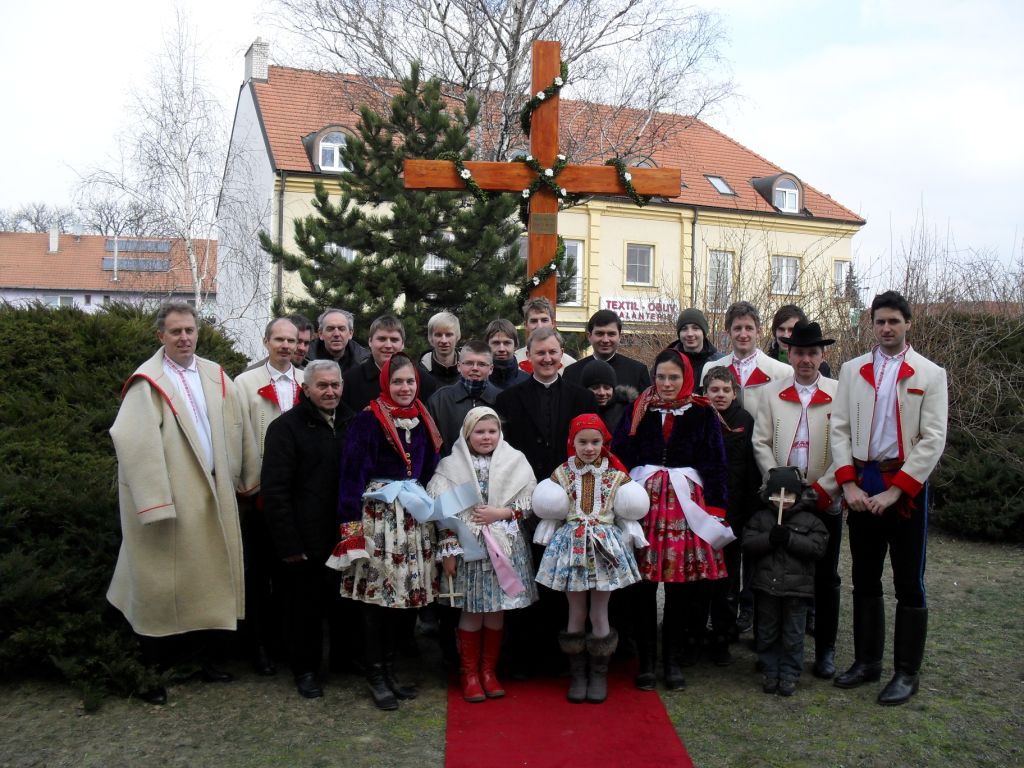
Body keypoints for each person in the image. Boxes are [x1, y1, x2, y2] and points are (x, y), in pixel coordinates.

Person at [107, 301, 260, 705]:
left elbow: (239, 426)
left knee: (208, 586)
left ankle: (205, 661)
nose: (184, 337)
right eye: (175, 331)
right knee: (162, 591)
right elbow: (135, 444)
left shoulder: (214, 374)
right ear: (161, 336)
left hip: (215, 496)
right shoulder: (148, 382)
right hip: (174, 501)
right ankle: (150, 672)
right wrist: (156, 503)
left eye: (190, 330)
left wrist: (247, 479)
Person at [830, 291, 948, 706]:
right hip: (861, 484)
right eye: (879, 321)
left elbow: (933, 439)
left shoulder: (930, 374)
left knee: (908, 583)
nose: (886, 328)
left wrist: (898, 490)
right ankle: (867, 663)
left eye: (894, 321)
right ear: (872, 324)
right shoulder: (852, 370)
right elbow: (839, 429)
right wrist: (847, 485)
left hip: (906, 489)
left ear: (908, 323)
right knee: (864, 577)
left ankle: (906, 673)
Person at [328, 353, 442, 711]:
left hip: (412, 518)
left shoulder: (423, 418)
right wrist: (352, 531)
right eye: (397, 382)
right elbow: (350, 476)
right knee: (377, 601)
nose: (405, 388)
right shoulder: (368, 421)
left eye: (410, 381)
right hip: (379, 519)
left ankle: (390, 671)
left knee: (402, 601)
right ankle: (375, 675)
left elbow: (430, 469)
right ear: (385, 385)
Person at [613, 349, 733, 691]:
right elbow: (621, 454)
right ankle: (647, 662)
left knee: (680, 589)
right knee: (643, 588)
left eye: (674, 377)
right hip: (644, 505)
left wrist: (717, 509)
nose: (666, 384)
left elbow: (715, 463)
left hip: (686, 507)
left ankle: (672, 660)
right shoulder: (639, 409)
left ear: (686, 379)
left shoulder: (702, 412)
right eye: (661, 377)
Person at [533, 414, 649, 703]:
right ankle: (578, 674)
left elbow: (627, 511)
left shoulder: (616, 476)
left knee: (600, 611)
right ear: (572, 442)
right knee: (576, 611)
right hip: (572, 546)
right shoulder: (562, 473)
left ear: (604, 443)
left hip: (603, 548)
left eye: (595, 442)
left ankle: (599, 673)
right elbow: (552, 508)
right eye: (582, 442)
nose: (588, 448)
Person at [752, 320, 843, 679]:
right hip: (781, 500)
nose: (806, 360)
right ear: (788, 353)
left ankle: (825, 650)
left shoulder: (839, 392)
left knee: (826, 576)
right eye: (800, 352)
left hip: (823, 498)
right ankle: (771, 648)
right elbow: (761, 442)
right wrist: (778, 486)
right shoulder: (772, 393)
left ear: (822, 355)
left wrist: (826, 488)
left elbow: (846, 447)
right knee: (777, 575)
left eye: (813, 353)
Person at [428, 407, 538, 702]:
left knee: (496, 610)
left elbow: (529, 501)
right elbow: (443, 514)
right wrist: (448, 550)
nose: (486, 437)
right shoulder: (451, 467)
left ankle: (489, 670)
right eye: (480, 432)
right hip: (469, 548)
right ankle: (470, 673)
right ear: (467, 434)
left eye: (492, 431)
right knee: (471, 610)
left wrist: (501, 512)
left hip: (504, 546)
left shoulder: (515, 461)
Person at [261, 360, 357, 699]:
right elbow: (275, 490)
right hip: (305, 536)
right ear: (307, 388)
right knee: (304, 611)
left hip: (345, 534)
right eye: (322, 386)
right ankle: (305, 670)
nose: (330, 391)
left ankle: (345, 661)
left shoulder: (354, 422)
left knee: (344, 604)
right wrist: (288, 542)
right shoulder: (285, 428)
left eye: (335, 385)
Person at [234, 317, 304, 676]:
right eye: (279, 339)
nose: (286, 346)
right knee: (260, 575)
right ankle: (259, 646)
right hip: (262, 493)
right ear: (266, 342)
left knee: (292, 575)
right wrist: (249, 482)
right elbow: (240, 434)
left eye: (292, 341)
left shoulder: (307, 381)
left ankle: (286, 643)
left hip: (299, 497)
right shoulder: (245, 384)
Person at [743, 466, 828, 697]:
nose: (784, 500)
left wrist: (790, 538)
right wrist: (769, 539)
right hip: (766, 588)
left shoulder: (810, 521)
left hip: (797, 592)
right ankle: (770, 670)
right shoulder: (761, 518)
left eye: (789, 494)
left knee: (793, 635)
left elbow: (818, 547)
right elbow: (748, 544)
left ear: (798, 495)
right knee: (767, 632)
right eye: (778, 493)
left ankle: (790, 673)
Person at [703, 365, 760, 661]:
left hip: (734, 513)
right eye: (715, 390)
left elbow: (752, 469)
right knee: (701, 577)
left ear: (735, 393)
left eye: (726, 390)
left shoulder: (745, 421)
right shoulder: (697, 418)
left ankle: (724, 636)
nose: (720, 395)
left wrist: (749, 510)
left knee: (727, 578)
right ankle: (697, 632)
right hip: (701, 513)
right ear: (705, 392)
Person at [495, 327, 597, 482]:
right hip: (522, 482)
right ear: (529, 355)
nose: (547, 358)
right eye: (541, 353)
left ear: (561, 353)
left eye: (552, 352)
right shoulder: (507, 399)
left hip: (572, 482)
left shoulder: (584, 398)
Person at [700, 301, 792, 419]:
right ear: (728, 332)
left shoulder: (783, 372)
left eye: (749, 328)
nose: (743, 335)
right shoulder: (710, 369)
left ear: (759, 332)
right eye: (737, 328)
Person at [342, 315, 437, 412]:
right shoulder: (350, 382)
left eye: (394, 340)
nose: (388, 345)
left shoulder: (424, 382)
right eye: (382, 339)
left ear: (402, 344)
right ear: (370, 341)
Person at [427, 341, 500, 455]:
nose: (475, 368)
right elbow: (431, 447)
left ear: (491, 369)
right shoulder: (439, 401)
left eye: (481, 364)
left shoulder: (501, 399)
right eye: (469, 363)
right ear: (459, 366)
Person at [562, 309, 652, 392]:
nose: (605, 340)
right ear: (589, 336)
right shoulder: (571, 373)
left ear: (620, 337)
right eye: (599, 334)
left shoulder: (637, 372)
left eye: (611, 334)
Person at [512, 297, 576, 371]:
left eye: (544, 320)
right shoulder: (514, 362)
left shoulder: (570, 365)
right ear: (526, 325)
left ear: (553, 323)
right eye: (534, 321)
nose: (539, 326)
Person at [767, 305, 832, 377]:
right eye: (781, 329)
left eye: (791, 330)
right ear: (774, 332)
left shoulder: (821, 367)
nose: (785, 335)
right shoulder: (766, 364)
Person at [671, 308, 723, 391]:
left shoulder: (719, 362)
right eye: (684, 329)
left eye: (695, 328)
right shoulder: (668, 361)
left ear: (704, 332)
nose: (690, 334)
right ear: (679, 334)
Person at [308, 308, 369, 375]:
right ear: (320, 333)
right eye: (330, 329)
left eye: (341, 329)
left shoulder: (365, 363)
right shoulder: (304, 359)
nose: (336, 334)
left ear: (350, 333)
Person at [580, 358, 634, 434]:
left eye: (607, 388)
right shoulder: (575, 411)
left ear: (613, 389)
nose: (602, 393)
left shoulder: (628, 412)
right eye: (595, 388)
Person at [419, 311, 461, 387]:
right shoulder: (419, 373)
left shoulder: (469, 371)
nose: (443, 340)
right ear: (430, 338)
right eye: (438, 335)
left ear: (457, 337)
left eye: (448, 335)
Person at [486, 318, 530, 390]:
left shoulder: (528, 382)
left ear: (515, 345)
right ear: (487, 345)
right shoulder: (479, 380)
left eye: (507, 343)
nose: (501, 349)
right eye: (496, 343)